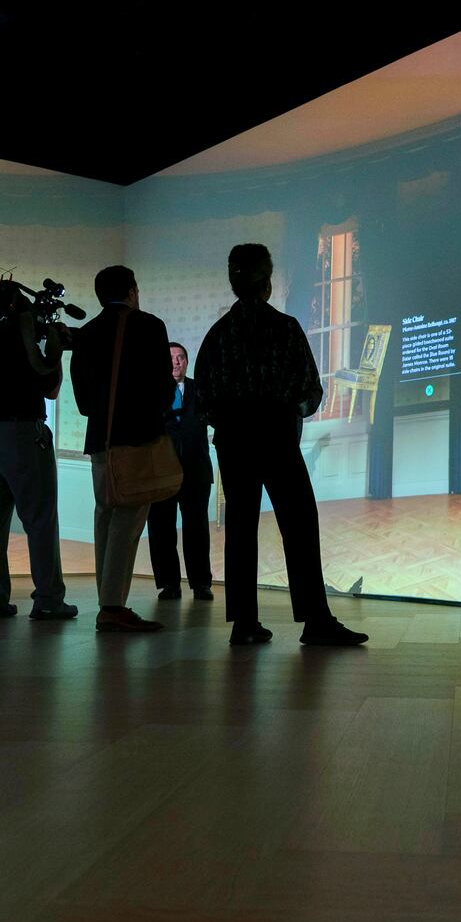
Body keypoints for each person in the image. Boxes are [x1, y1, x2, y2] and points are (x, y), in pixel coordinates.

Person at [194, 243, 366, 646]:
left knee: (239, 528)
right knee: (300, 524)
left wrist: (229, 420)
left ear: (234, 281)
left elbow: (202, 401)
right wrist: (286, 414)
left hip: (234, 442)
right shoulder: (284, 328)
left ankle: (244, 622)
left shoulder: (218, 335)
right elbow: (310, 390)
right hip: (276, 437)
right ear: (267, 281)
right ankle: (315, 620)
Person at [0, 282, 77, 620]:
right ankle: (49, 599)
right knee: (39, 518)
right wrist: (53, 348)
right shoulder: (19, 342)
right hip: (21, 434)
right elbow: (50, 387)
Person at [70, 264, 173, 632]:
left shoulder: (86, 334)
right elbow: (165, 389)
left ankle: (108, 601)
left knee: (106, 516)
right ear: (132, 291)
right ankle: (112, 606)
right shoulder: (150, 326)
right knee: (127, 521)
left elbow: (82, 402)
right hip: (137, 441)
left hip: (101, 440)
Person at [147, 342, 215, 602]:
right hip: (161, 471)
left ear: (187, 362)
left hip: (195, 471)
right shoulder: (152, 392)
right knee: (161, 528)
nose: (176, 362)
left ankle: (201, 584)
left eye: (181, 357)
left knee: (197, 529)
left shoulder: (201, 389)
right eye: (171, 358)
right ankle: (169, 584)